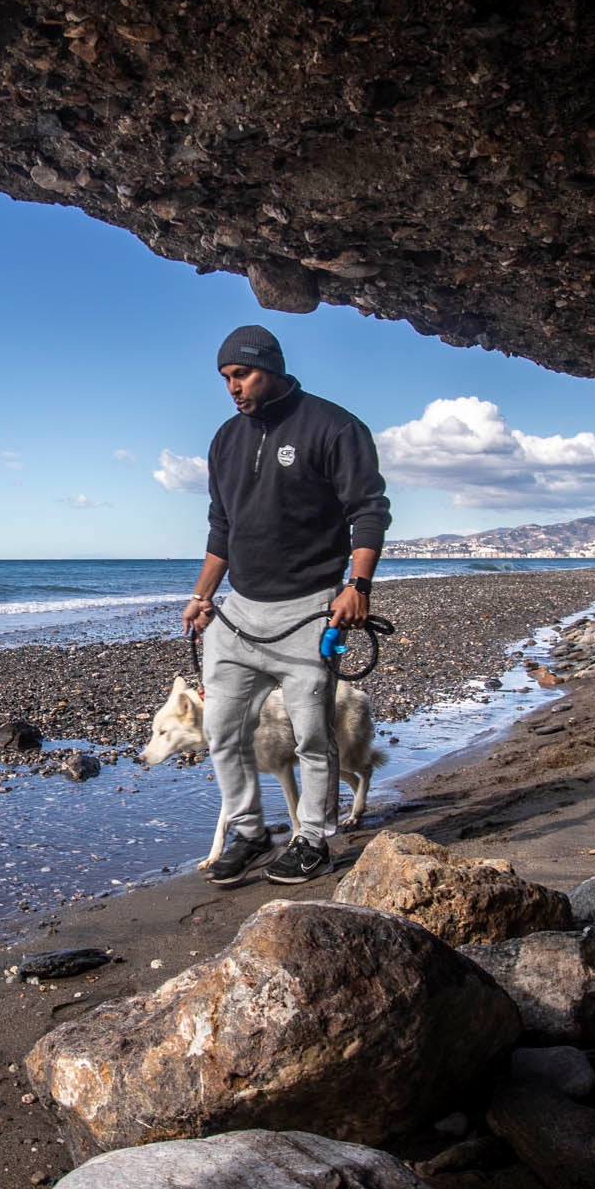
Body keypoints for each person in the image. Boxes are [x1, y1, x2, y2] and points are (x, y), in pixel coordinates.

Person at [182, 324, 390, 885]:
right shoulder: (225, 439)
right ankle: (249, 832)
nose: (233, 387)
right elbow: (221, 528)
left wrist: (358, 587)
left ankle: (314, 838)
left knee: (312, 736)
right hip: (238, 612)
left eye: (241, 374)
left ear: (270, 367)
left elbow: (368, 511)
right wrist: (202, 596)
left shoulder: (334, 426)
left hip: (309, 610)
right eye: (225, 377)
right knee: (223, 731)